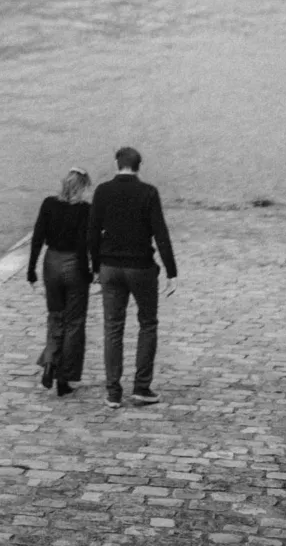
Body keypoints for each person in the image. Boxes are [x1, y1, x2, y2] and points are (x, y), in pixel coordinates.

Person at [87, 146, 177, 408]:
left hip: (110, 267)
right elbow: (160, 234)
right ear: (139, 166)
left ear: (117, 163)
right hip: (141, 268)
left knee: (112, 327)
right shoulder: (148, 192)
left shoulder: (103, 191)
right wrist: (171, 272)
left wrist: (94, 269)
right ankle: (141, 387)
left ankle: (113, 392)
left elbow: (92, 232)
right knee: (147, 324)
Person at [27, 167, 93, 397]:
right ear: (83, 187)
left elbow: (37, 238)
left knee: (55, 317)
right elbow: (87, 244)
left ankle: (50, 362)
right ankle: (65, 378)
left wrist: (31, 271)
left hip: (51, 262)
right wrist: (92, 271)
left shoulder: (48, 204)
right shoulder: (85, 210)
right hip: (74, 265)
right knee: (74, 323)